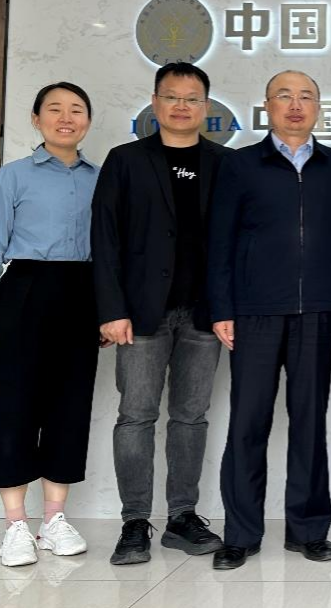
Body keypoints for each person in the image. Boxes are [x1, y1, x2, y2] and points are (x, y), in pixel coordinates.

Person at [206, 70, 331, 571]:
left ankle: (309, 530)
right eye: (285, 96)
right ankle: (240, 533)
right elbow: (220, 240)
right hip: (254, 311)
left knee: (309, 420)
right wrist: (222, 308)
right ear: (267, 106)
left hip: (318, 309)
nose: (296, 104)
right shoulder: (240, 164)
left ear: (318, 107)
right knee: (248, 422)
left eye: (306, 96)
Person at [91, 63, 231, 565]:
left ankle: (182, 517)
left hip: (203, 314)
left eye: (192, 99)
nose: (181, 106)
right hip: (140, 314)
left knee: (191, 417)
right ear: (155, 103)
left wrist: (229, 307)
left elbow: (236, 242)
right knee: (136, 416)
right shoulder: (126, 160)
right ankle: (134, 523)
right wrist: (111, 309)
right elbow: (104, 237)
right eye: (172, 97)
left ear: (206, 108)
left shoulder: (225, 163)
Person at [0, 82, 101, 567]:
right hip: (24, 290)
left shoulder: (102, 179)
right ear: (36, 118)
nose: (66, 118)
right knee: (14, 406)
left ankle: (54, 521)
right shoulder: (12, 177)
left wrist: (109, 309)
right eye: (55, 109)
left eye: (76, 110)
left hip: (82, 292)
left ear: (88, 120)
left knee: (70, 406)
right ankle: (15, 526)